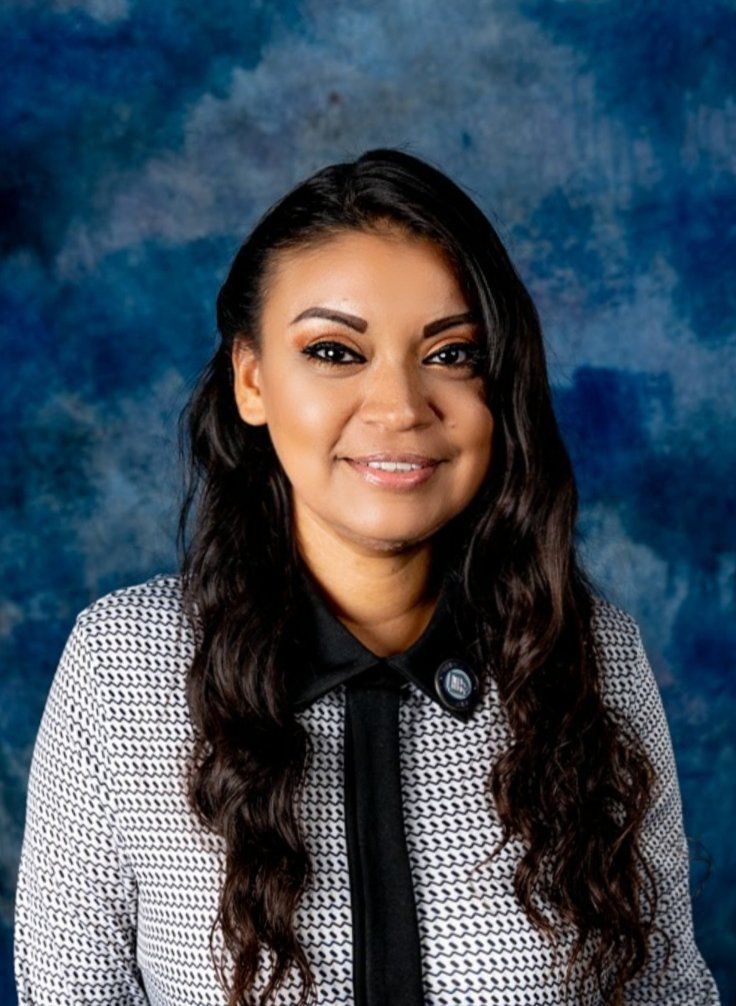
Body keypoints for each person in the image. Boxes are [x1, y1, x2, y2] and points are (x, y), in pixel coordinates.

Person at [13, 147, 721, 1006]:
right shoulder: (120, 668)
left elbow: (668, 988)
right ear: (252, 379)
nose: (399, 408)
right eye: (335, 352)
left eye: (453, 354)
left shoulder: (593, 655)